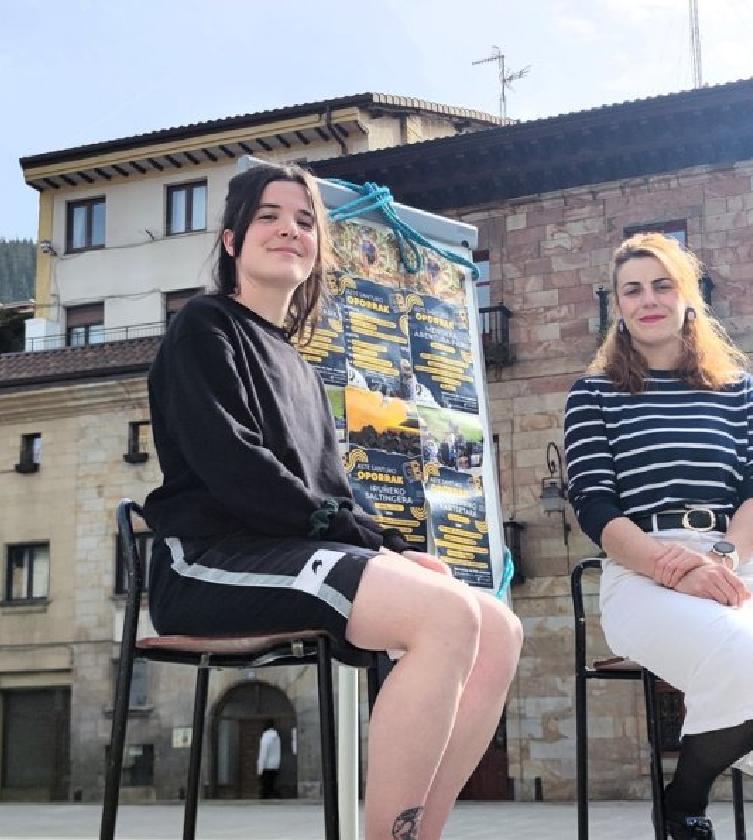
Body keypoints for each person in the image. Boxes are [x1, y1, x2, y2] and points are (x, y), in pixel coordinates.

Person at [143, 162, 522, 840]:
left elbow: (331, 493)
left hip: (287, 553)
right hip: (207, 562)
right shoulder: (203, 327)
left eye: (305, 220)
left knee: (496, 627)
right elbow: (234, 467)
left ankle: (416, 835)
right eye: (269, 215)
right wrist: (343, 529)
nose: (289, 228)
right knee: (442, 620)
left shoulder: (299, 367)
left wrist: (396, 551)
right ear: (231, 240)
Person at [564, 233, 753, 840]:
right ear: (617, 307)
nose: (648, 300)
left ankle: (680, 804)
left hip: (739, 562)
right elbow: (594, 505)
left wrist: (722, 556)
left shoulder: (737, 389)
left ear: (687, 295)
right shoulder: (592, 395)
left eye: (662, 285)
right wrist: (679, 567)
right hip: (644, 571)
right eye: (632, 290)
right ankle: (686, 797)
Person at [257, 719, 281, 799]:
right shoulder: (277, 737)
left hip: (266, 766)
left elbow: (263, 753)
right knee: (271, 785)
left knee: (266, 788)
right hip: (275, 765)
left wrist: (260, 769)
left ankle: (265, 802)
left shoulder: (266, 737)